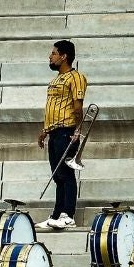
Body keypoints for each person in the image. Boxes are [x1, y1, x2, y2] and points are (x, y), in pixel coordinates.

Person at [35, 39, 88, 230]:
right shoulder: (55, 80)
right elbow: (52, 108)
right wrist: (44, 131)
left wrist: (78, 129)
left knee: (66, 174)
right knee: (57, 175)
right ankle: (57, 214)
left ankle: (68, 215)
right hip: (54, 131)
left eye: (54, 53)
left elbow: (78, 107)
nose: (50, 56)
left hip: (67, 131)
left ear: (64, 56)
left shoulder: (76, 77)